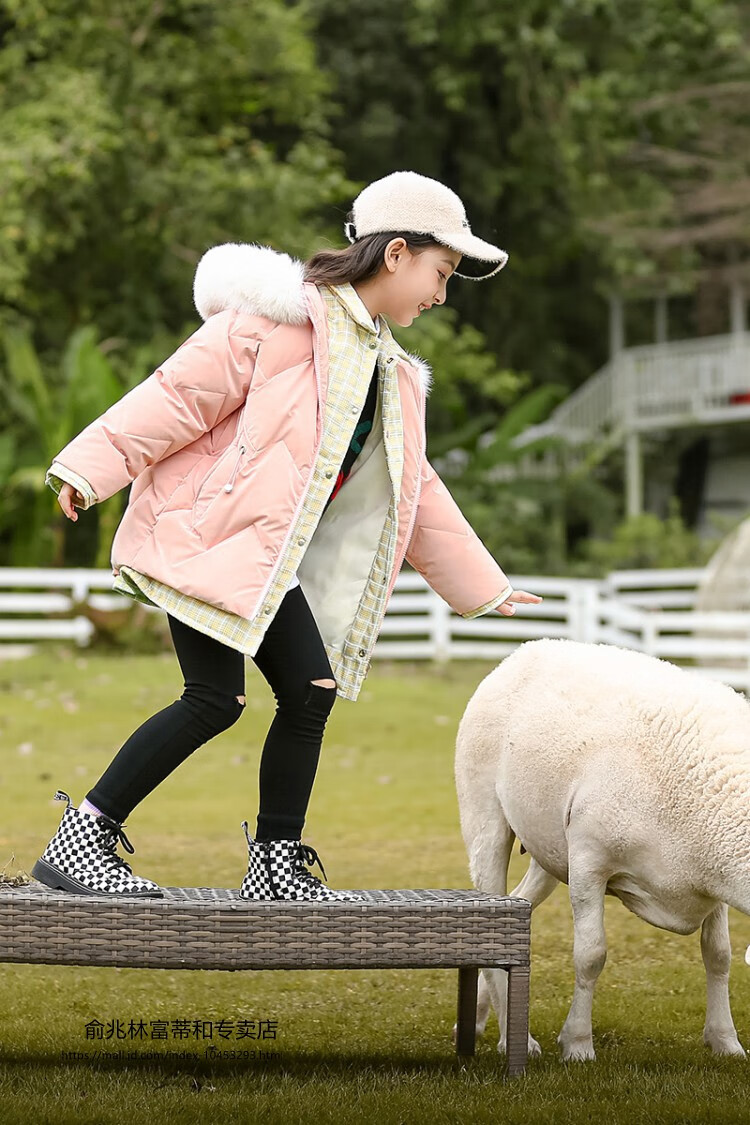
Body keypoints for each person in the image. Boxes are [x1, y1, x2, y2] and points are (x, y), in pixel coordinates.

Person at [32, 170, 542, 903]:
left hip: (265, 563)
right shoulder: (276, 323)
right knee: (214, 698)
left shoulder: (389, 371)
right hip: (206, 541)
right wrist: (88, 466)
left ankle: (274, 867)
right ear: (396, 253)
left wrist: (483, 586)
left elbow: (414, 488)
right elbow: (178, 395)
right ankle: (81, 838)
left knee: (310, 689)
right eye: (442, 270)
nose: (441, 292)